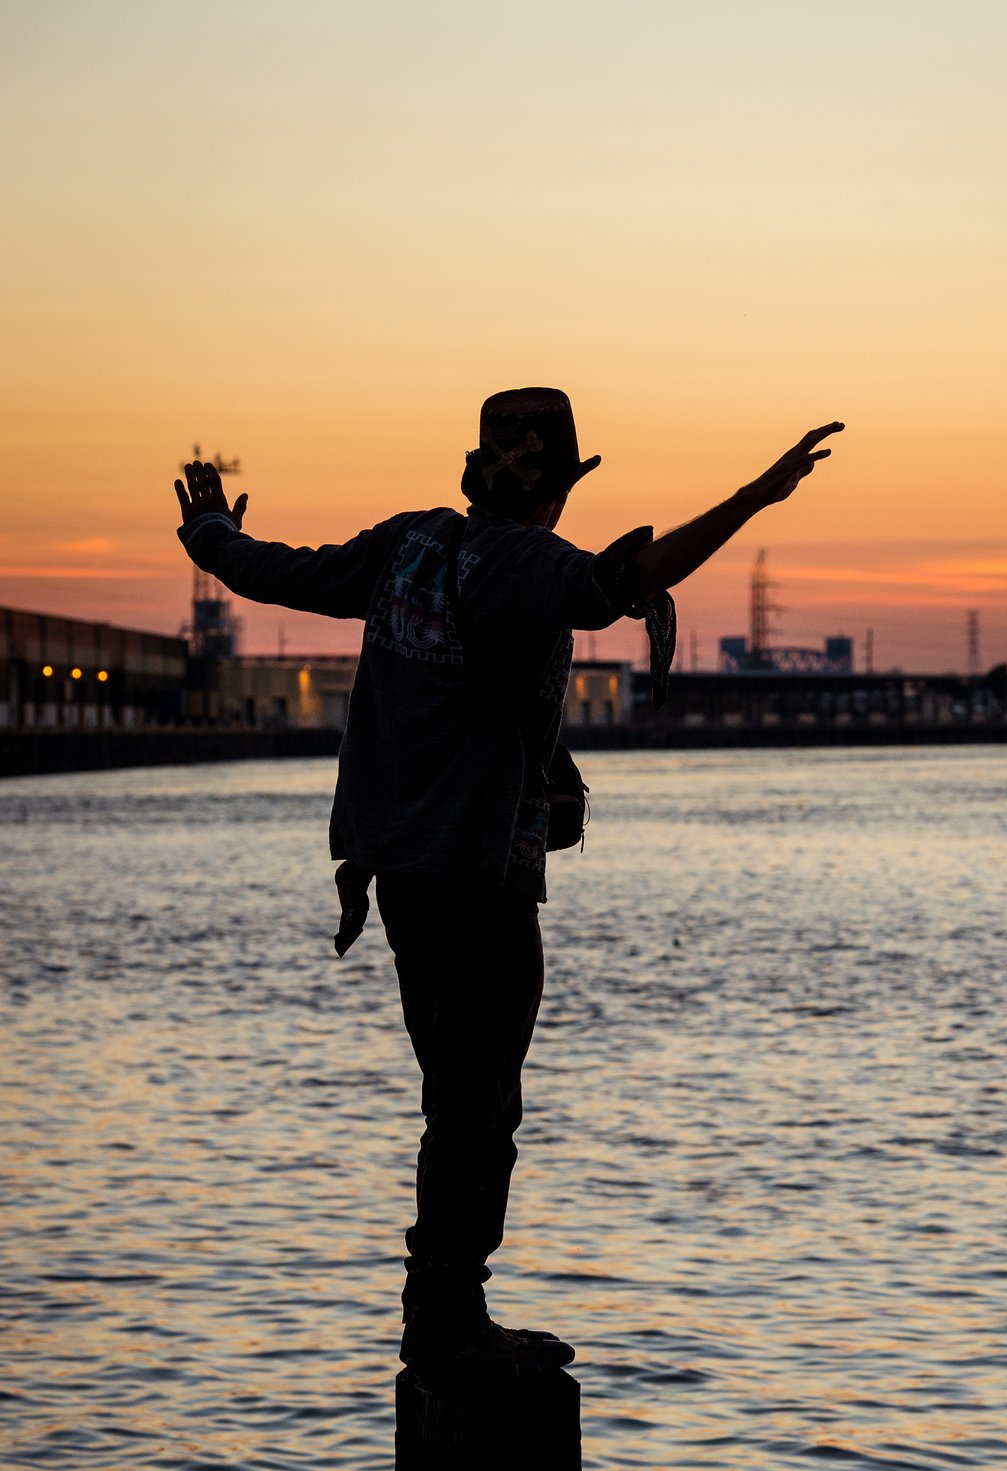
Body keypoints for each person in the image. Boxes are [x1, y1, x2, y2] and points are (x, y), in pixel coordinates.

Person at [174, 389, 841, 1376]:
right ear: (554, 491)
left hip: (396, 869)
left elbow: (273, 572)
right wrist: (757, 494)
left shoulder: (406, 547)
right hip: (474, 881)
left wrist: (212, 528)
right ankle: (446, 1316)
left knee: (456, 1098)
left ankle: (441, 1311)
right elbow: (629, 577)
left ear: (479, 475)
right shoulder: (527, 563)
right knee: (479, 1108)